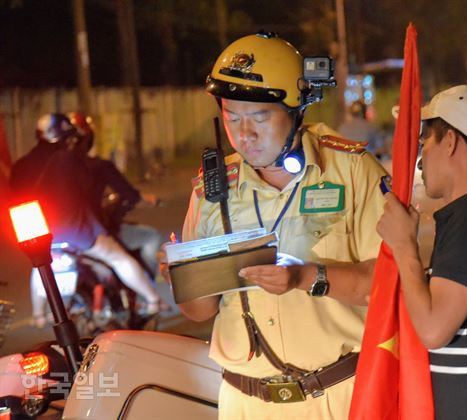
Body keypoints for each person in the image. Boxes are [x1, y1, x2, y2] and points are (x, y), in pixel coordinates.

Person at [176, 32, 387, 419]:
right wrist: (183, 276)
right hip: (244, 402)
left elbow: (387, 285)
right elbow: (199, 310)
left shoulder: (352, 172)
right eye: (232, 117)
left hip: (337, 397)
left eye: (259, 117)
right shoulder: (211, 190)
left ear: (296, 110)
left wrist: (305, 276)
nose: (244, 134)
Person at [376, 85, 467, 419]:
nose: (419, 157)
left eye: (426, 141)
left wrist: (404, 246)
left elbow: (433, 329)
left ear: (451, 141)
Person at [9, 114, 164, 327]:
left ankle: (39, 314)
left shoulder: (21, 166)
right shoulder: (70, 159)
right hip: (75, 228)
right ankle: (153, 299)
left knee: (39, 262)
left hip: (35, 229)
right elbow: (88, 190)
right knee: (119, 259)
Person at [67, 111, 163, 278]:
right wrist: (150, 201)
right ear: (88, 138)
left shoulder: (52, 170)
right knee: (149, 238)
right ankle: (151, 297)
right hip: (92, 234)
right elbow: (133, 197)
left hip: (58, 236)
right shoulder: (99, 166)